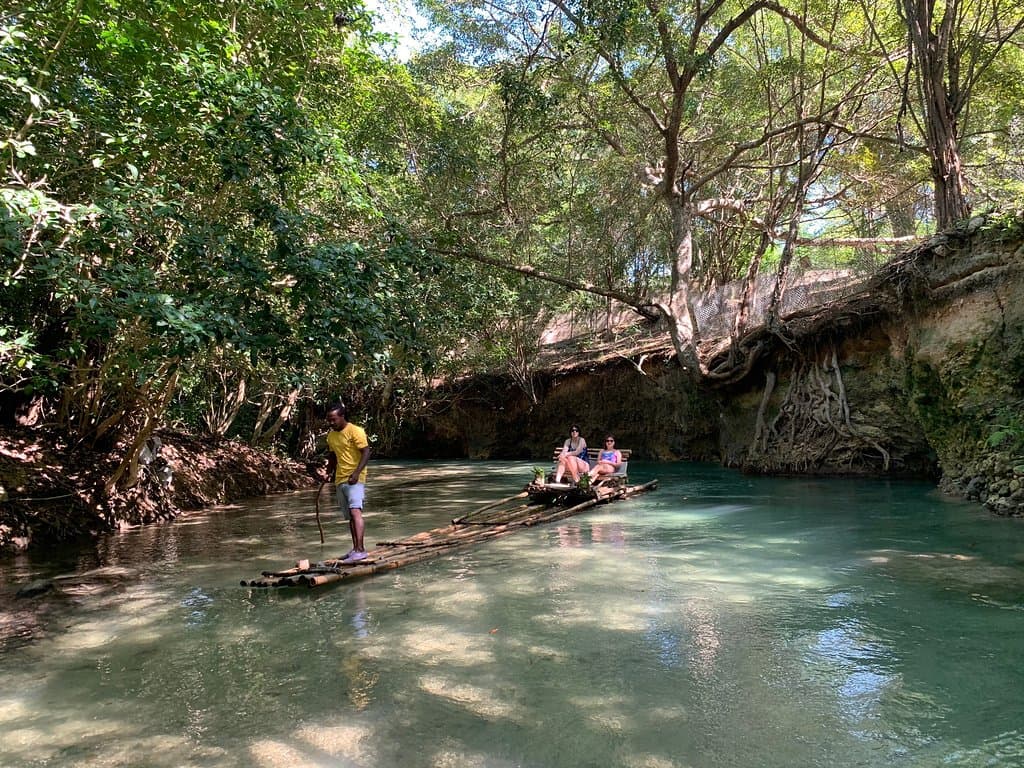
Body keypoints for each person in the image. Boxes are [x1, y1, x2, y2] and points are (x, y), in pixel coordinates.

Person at [317, 402, 371, 562]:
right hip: (340, 479)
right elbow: (333, 456)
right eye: (329, 420)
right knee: (350, 516)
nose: (331, 423)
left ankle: (361, 550)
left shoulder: (355, 431)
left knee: (356, 512)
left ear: (342, 417)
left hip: (355, 479)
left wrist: (356, 473)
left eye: (333, 419)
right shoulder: (331, 436)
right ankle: (355, 549)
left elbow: (366, 452)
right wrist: (328, 473)